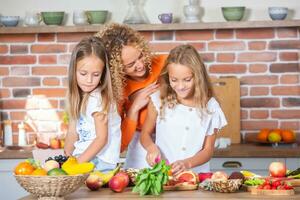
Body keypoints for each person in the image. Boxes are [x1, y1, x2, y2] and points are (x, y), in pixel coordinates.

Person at [140, 44, 227, 176]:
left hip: (196, 177)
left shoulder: (210, 106)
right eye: (174, 80)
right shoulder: (159, 99)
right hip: (163, 175)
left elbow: (208, 150)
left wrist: (187, 164)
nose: (180, 86)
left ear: (198, 77)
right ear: (168, 76)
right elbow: (145, 134)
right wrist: (151, 148)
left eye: (187, 80)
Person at [95, 23, 167, 169]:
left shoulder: (166, 62)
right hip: (141, 150)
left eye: (141, 56)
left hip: (174, 140)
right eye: (130, 64)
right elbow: (120, 145)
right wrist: (133, 108)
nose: (140, 65)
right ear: (116, 68)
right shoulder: (117, 91)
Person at [64, 36, 121, 172]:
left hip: (100, 162)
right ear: (74, 71)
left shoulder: (98, 99)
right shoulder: (78, 97)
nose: (89, 80)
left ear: (103, 75)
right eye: (83, 73)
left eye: (96, 75)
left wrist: (76, 164)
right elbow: (72, 133)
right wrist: (67, 156)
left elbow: (102, 139)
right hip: (83, 157)